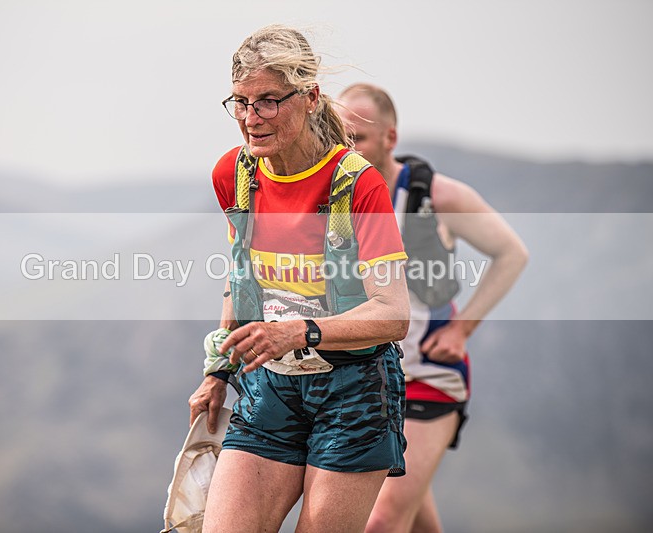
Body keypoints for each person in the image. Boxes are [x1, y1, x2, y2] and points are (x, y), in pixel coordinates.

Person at [187, 26, 411, 532]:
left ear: (309, 98)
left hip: (353, 394)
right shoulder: (235, 173)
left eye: (268, 101)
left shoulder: (358, 184)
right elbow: (242, 280)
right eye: (240, 102)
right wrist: (217, 370)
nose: (251, 118)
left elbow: (393, 313)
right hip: (270, 384)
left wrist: (300, 331)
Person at [336, 83, 529, 533]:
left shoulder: (437, 197)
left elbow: (512, 254)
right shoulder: (334, 198)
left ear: (390, 138)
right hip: (364, 379)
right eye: (339, 138)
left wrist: (462, 330)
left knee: (381, 521)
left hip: (428, 375)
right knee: (414, 517)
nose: (348, 150)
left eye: (359, 138)